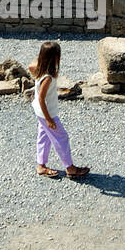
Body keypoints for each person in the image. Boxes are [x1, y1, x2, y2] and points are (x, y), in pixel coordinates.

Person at [29, 41, 89, 179]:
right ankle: (70, 167)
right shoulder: (48, 78)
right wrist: (49, 119)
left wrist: (41, 56)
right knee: (61, 137)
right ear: (54, 58)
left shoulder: (38, 70)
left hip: (40, 112)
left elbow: (30, 65)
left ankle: (41, 166)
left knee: (44, 137)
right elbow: (41, 99)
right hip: (47, 114)